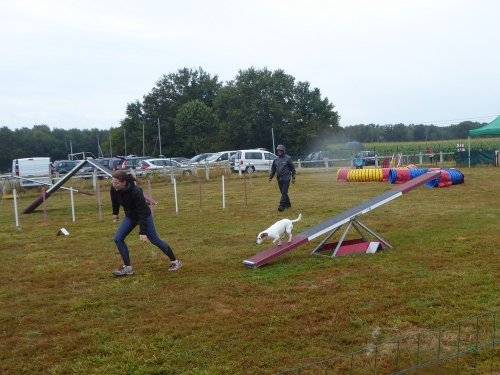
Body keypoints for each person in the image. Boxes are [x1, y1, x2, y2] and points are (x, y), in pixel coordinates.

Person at [110, 171, 182, 276]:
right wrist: (115, 213)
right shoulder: (114, 188)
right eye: (113, 182)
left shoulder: (136, 191)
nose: (114, 185)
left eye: (116, 183)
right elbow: (115, 200)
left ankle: (175, 262)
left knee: (155, 240)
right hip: (130, 217)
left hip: (143, 216)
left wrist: (142, 232)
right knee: (118, 239)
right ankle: (128, 268)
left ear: (124, 182)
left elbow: (142, 213)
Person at [269, 144, 296, 212]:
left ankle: (282, 206)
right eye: (278, 151)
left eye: (280, 151)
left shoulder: (288, 158)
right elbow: (273, 169)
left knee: (284, 192)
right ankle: (288, 204)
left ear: (283, 151)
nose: (279, 152)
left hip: (286, 178)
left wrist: (293, 178)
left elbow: (292, 168)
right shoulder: (275, 159)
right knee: (283, 192)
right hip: (279, 178)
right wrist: (270, 177)